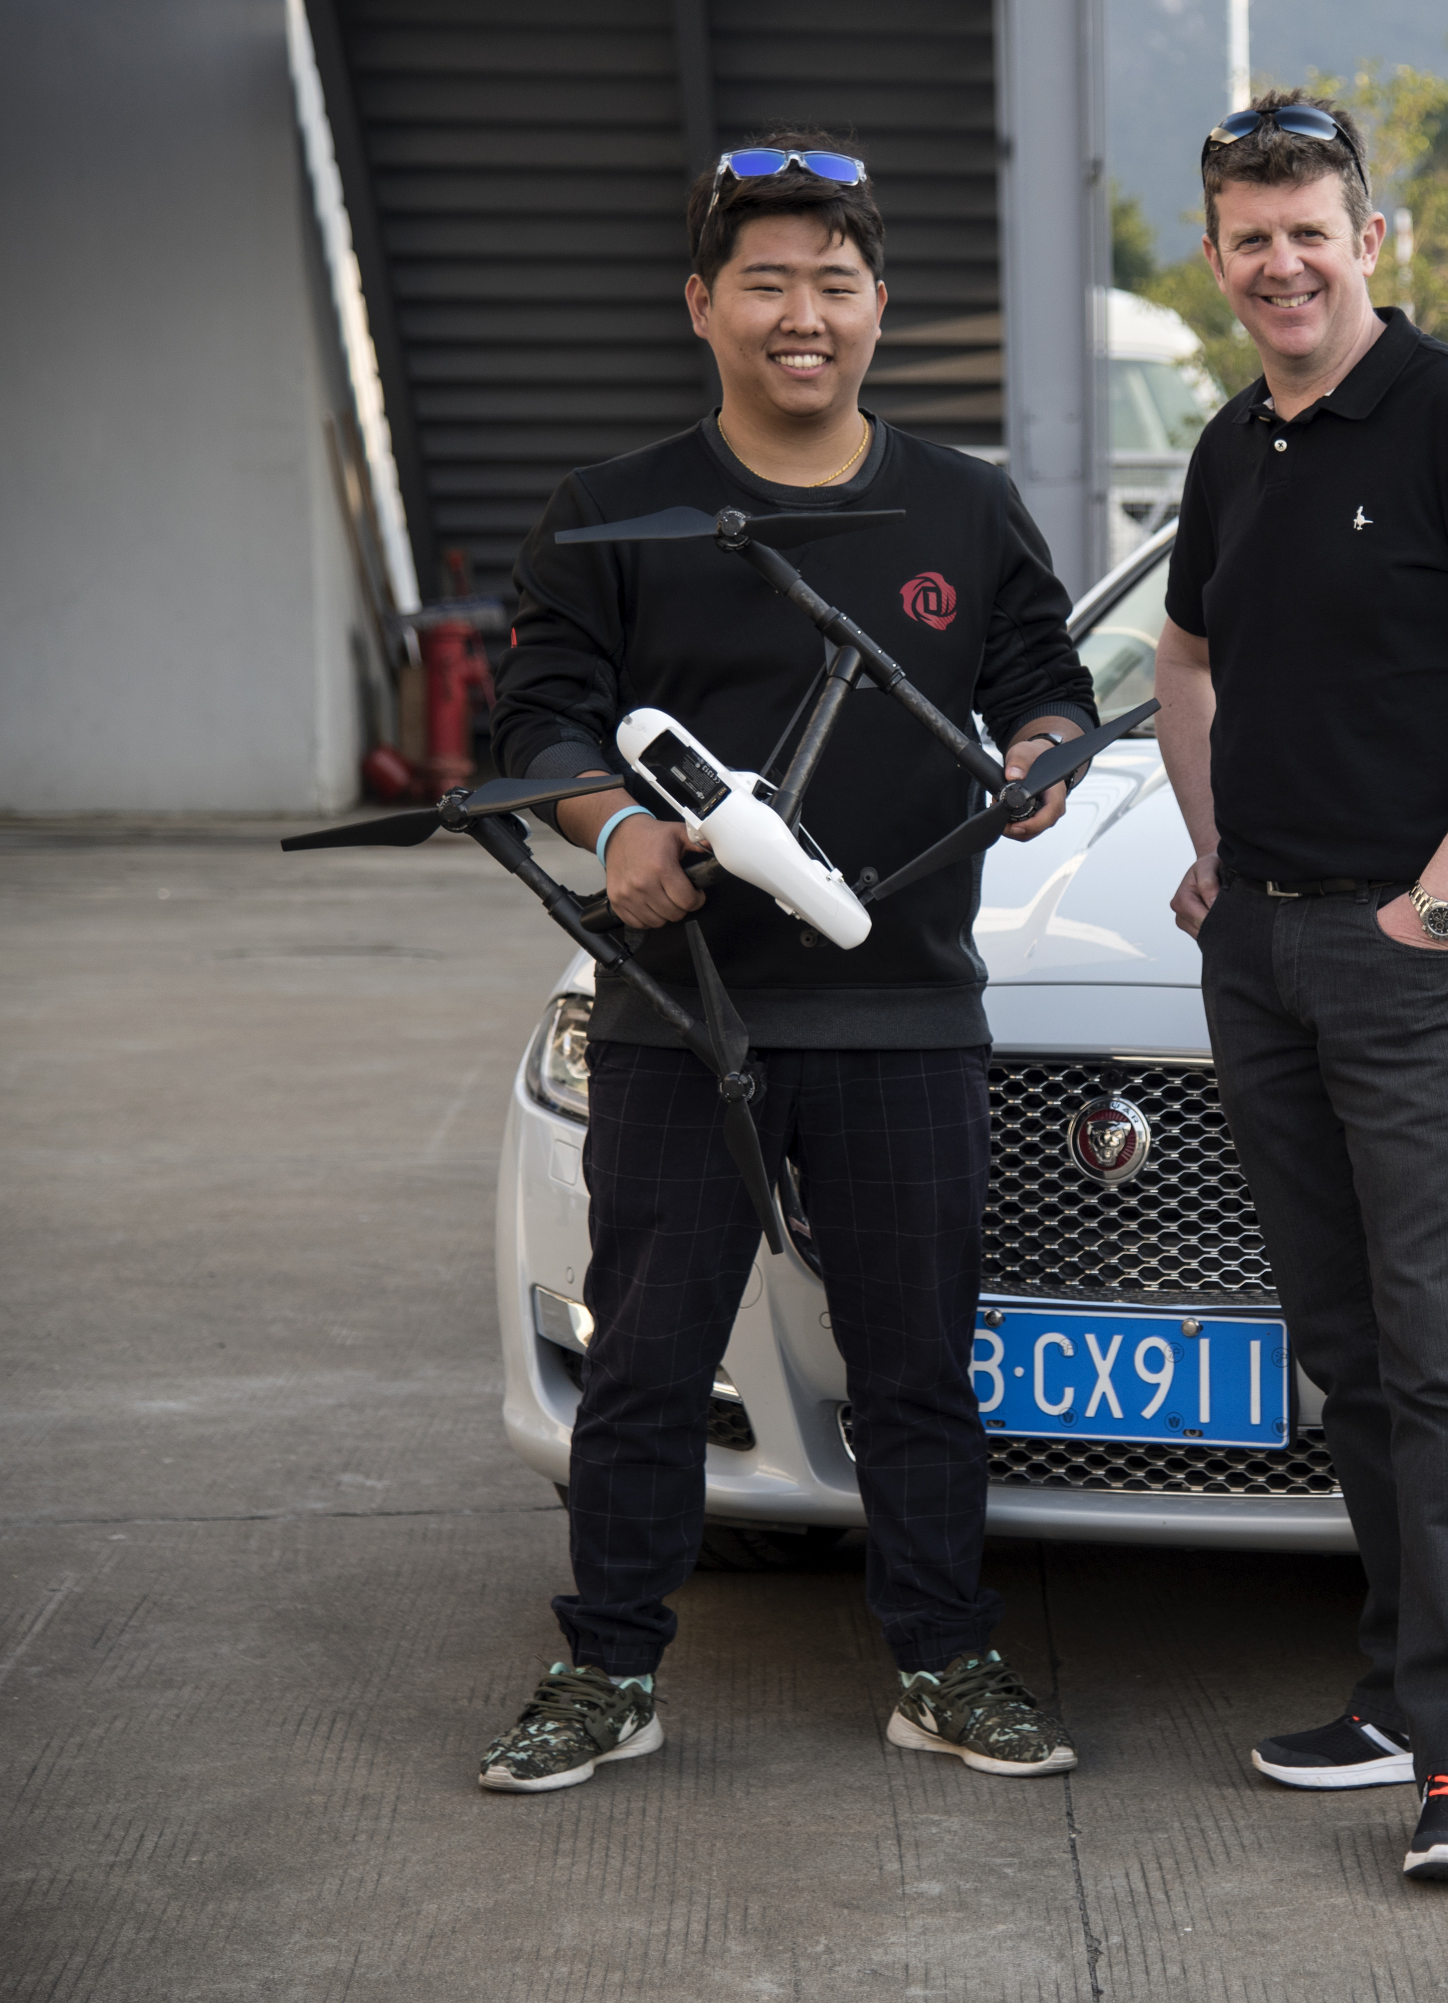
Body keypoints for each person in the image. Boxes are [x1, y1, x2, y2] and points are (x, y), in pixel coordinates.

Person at [476, 133, 1098, 1792]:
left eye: (835, 281)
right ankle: (608, 1669)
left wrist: (1041, 759)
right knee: (646, 1359)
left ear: (881, 304)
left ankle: (944, 1662)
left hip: (905, 1007)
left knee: (917, 1365)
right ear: (702, 305)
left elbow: (1047, 681)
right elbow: (538, 723)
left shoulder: (963, 503)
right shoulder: (608, 512)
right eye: (766, 283)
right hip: (682, 1011)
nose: (803, 314)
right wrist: (619, 829)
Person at [1151, 92, 1448, 1883]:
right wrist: (1211, 848)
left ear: (1369, 241)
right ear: (1218, 261)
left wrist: (1444, 898)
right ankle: (1399, 1694)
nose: (1282, 264)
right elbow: (1183, 663)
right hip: (1263, 949)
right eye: (1250, 239)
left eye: (1309, 233)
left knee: (1443, 1350)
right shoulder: (1232, 447)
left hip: (1416, 955)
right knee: (1345, 1351)